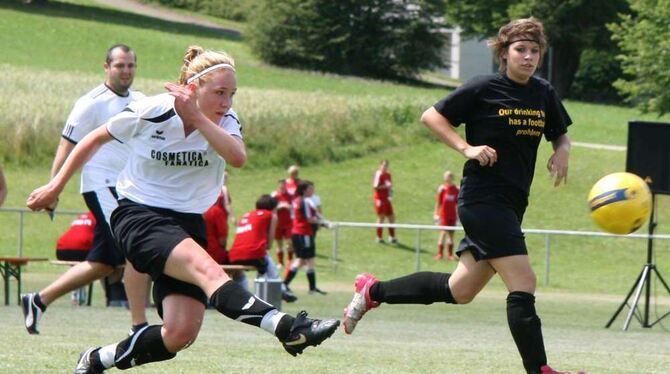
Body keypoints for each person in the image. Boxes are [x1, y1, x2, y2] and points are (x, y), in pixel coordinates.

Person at [27, 45, 338, 373]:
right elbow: (93, 139)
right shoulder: (154, 109)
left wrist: (198, 118)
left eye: (232, 94)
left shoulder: (225, 120)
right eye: (219, 92)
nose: (227, 102)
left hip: (188, 224)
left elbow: (238, 158)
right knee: (211, 273)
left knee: (179, 334)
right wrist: (54, 187)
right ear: (193, 88)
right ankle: (289, 328)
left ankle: (95, 359)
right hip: (138, 215)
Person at [342, 18, 583, 374]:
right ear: (504, 53)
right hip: (483, 201)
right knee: (524, 282)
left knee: (460, 290)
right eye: (520, 50)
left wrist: (562, 150)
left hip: (512, 205)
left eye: (534, 51)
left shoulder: (542, 92)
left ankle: (373, 291)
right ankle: (540, 371)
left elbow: (560, 134)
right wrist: (466, 148)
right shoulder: (484, 87)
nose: (528, 57)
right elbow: (431, 116)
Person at [21, 44, 150, 335]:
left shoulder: (142, 100)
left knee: (104, 263)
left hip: (130, 188)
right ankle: (139, 325)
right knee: (135, 248)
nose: (126, 71)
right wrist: (53, 189)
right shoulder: (91, 103)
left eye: (131, 65)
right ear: (106, 67)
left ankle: (38, 300)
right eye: (120, 65)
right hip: (101, 185)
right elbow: (66, 147)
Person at [228, 195, 297, 302]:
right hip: (254, 253)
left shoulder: (247, 215)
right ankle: (280, 289)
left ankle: (242, 300)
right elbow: (268, 245)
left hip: (233, 255)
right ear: (273, 207)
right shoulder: (271, 215)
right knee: (266, 264)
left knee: (242, 272)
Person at [283, 180, 328, 295]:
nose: (312, 191)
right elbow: (309, 219)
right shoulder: (304, 202)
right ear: (304, 190)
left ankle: (310, 287)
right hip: (304, 233)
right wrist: (323, 223)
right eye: (310, 189)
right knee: (306, 260)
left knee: (304, 260)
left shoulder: (296, 201)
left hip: (299, 233)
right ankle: (286, 284)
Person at [433, 170, 459, 261]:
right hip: (444, 215)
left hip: (452, 215)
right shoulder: (442, 189)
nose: (447, 178)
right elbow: (438, 203)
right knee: (443, 233)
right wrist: (436, 214)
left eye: (449, 176)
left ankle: (450, 254)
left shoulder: (456, 189)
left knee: (451, 235)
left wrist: (458, 217)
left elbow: (457, 204)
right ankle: (439, 253)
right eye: (446, 176)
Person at [373, 159, 397, 244]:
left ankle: (392, 237)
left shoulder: (388, 175)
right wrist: (385, 186)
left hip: (387, 199)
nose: (385, 167)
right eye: (384, 165)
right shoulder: (378, 174)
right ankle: (379, 237)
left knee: (391, 217)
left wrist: (390, 194)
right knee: (381, 217)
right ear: (380, 166)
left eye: (386, 165)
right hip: (379, 199)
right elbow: (375, 187)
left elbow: (390, 186)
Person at [271, 179, 293, 267]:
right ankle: (280, 262)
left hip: (288, 223)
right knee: (279, 244)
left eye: (284, 185)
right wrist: (281, 206)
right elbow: (271, 208)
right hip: (278, 223)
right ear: (278, 186)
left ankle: (290, 261)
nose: (282, 187)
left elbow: (294, 206)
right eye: (281, 185)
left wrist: (289, 207)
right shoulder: (275, 196)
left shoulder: (290, 196)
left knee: (289, 242)